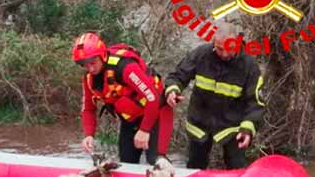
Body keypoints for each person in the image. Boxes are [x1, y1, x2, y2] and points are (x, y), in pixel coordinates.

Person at [164, 25, 265, 169]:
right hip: (199, 122)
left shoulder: (249, 65)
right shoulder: (201, 54)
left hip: (232, 126)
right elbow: (177, 76)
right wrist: (172, 90)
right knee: (195, 167)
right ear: (213, 43)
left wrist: (247, 129)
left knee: (236, 168)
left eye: (229, 48)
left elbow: (255, 102)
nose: (224, 54)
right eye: (219, 48)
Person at [75, 32, 173, 164]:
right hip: (130, 119)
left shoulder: (125, 67)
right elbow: (88, 108)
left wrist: (144, 130)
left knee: (156, 161)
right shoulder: (89, 79)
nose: (90, 68)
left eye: (93, 63)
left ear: (102, 55)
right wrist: (89, 135)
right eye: (85, 65)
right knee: (127, 162)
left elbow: (152, 97)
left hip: (156, 113)